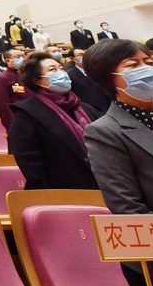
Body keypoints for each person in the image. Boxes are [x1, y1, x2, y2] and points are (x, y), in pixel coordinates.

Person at [84, 39, 153, 286]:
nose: (146, 69)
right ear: (108, 77)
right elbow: (128, 208)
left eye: (148, 62)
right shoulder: (105, 132)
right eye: (133, 65)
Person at [8, 52, 101, 190]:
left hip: (102, 184)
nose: (61, 73)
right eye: (53, 70)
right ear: (37, 80)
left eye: (61, 69)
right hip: (61, 189)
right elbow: (28, 160)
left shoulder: (86, 108)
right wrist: (48, 192)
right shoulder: (27, 112)